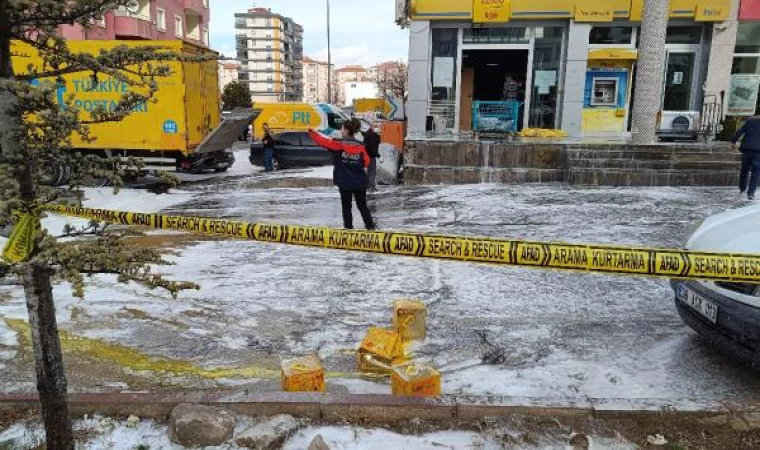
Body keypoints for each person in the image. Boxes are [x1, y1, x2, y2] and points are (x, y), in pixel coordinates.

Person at [309, 119, 376, 230]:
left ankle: (348, 230)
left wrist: (312, 133)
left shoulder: (338, 146)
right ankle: (370, 228)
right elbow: (366, 162)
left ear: (346, 130)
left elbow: (323, 141)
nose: (341, 131)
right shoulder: (360, 147)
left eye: (342, 129)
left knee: (346, 207)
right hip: (359, 182)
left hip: (345, 183)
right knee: (362, 206)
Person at [732, 115, 760, 200]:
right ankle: (750, 193)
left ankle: (742, 189)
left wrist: (733, 141)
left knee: (744, 170)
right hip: (758, 151)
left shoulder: (751, 120)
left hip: (746, 149)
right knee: (755, 173)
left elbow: (740, 131)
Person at [363, 126, 381, 191]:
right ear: (372, 127)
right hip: (371, 156)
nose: (378, 128)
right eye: (376, 126)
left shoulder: (368, 134)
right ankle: (371, 186)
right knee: (372, 171)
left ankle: (368, 185)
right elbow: (372, 148)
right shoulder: (372, 136)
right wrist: (378, 156)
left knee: (369, 171)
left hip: (367, 155)